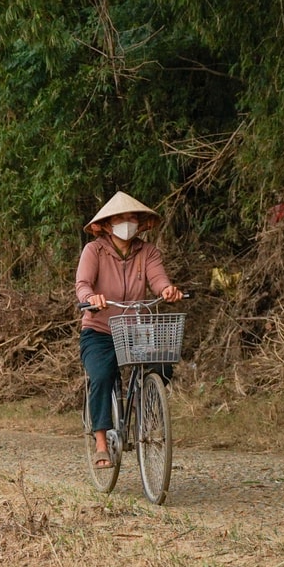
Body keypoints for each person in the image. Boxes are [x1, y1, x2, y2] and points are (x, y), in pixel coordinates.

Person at [76, 192, 183, 467]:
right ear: (107, 224)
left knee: (162, 365)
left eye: (132, 218)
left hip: (136, 330)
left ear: (140, 223)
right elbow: (83, 284)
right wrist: (91, 299)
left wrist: (166, 289)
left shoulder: (147, 252)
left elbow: (158, 279)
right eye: (121, 218)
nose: (127, 223)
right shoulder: (94, 251)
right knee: (102, 376)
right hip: (99, 330)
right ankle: (101, 441)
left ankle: (142, 406)